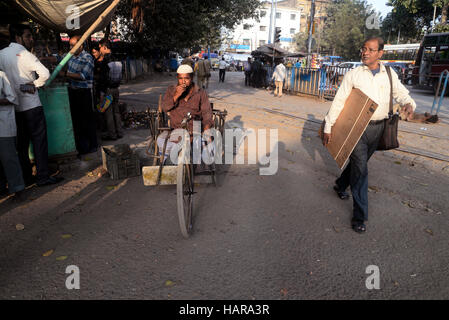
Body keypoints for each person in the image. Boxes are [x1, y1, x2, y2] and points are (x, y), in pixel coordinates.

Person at [322, 37, 416, 234]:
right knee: (361, 170)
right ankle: (360, 216)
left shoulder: (390, 74)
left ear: (380, 53)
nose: (365, 53)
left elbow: (402, 94)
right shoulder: (354, 75)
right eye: (364, 49)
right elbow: (339, 101)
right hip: (358, 128)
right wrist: (328, 126)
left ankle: (340, 185)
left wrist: (409, 104)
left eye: (371, 50)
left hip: (379, 128)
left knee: (359, 164)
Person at [0, 24, 63, 187]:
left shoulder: (2, 55)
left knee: (22, 145)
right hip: (32, 106)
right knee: (39, 142)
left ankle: (27, 177)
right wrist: (35, 84)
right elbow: (46, 74)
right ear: (18, 37)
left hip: (15, 108)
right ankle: (42, 177)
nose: (31, 39)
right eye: (28, 36)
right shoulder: (25, 54)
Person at [0, 26, 25, 197]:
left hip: (4, 125)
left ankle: (18, 188)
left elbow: (13, 99)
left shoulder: (1, 76)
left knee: (9, 158)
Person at [64, 35, 98, 155]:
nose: (71, 48)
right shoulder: (70, 57)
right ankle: (82, 147)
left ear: (81, 45)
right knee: (77, 121)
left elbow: (83, 76)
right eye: (70, 45)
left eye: (73, 45)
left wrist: (66, 74)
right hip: (73, 92)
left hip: (84, 93)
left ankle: (93, 145)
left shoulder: (87, 58)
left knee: (87, 120)